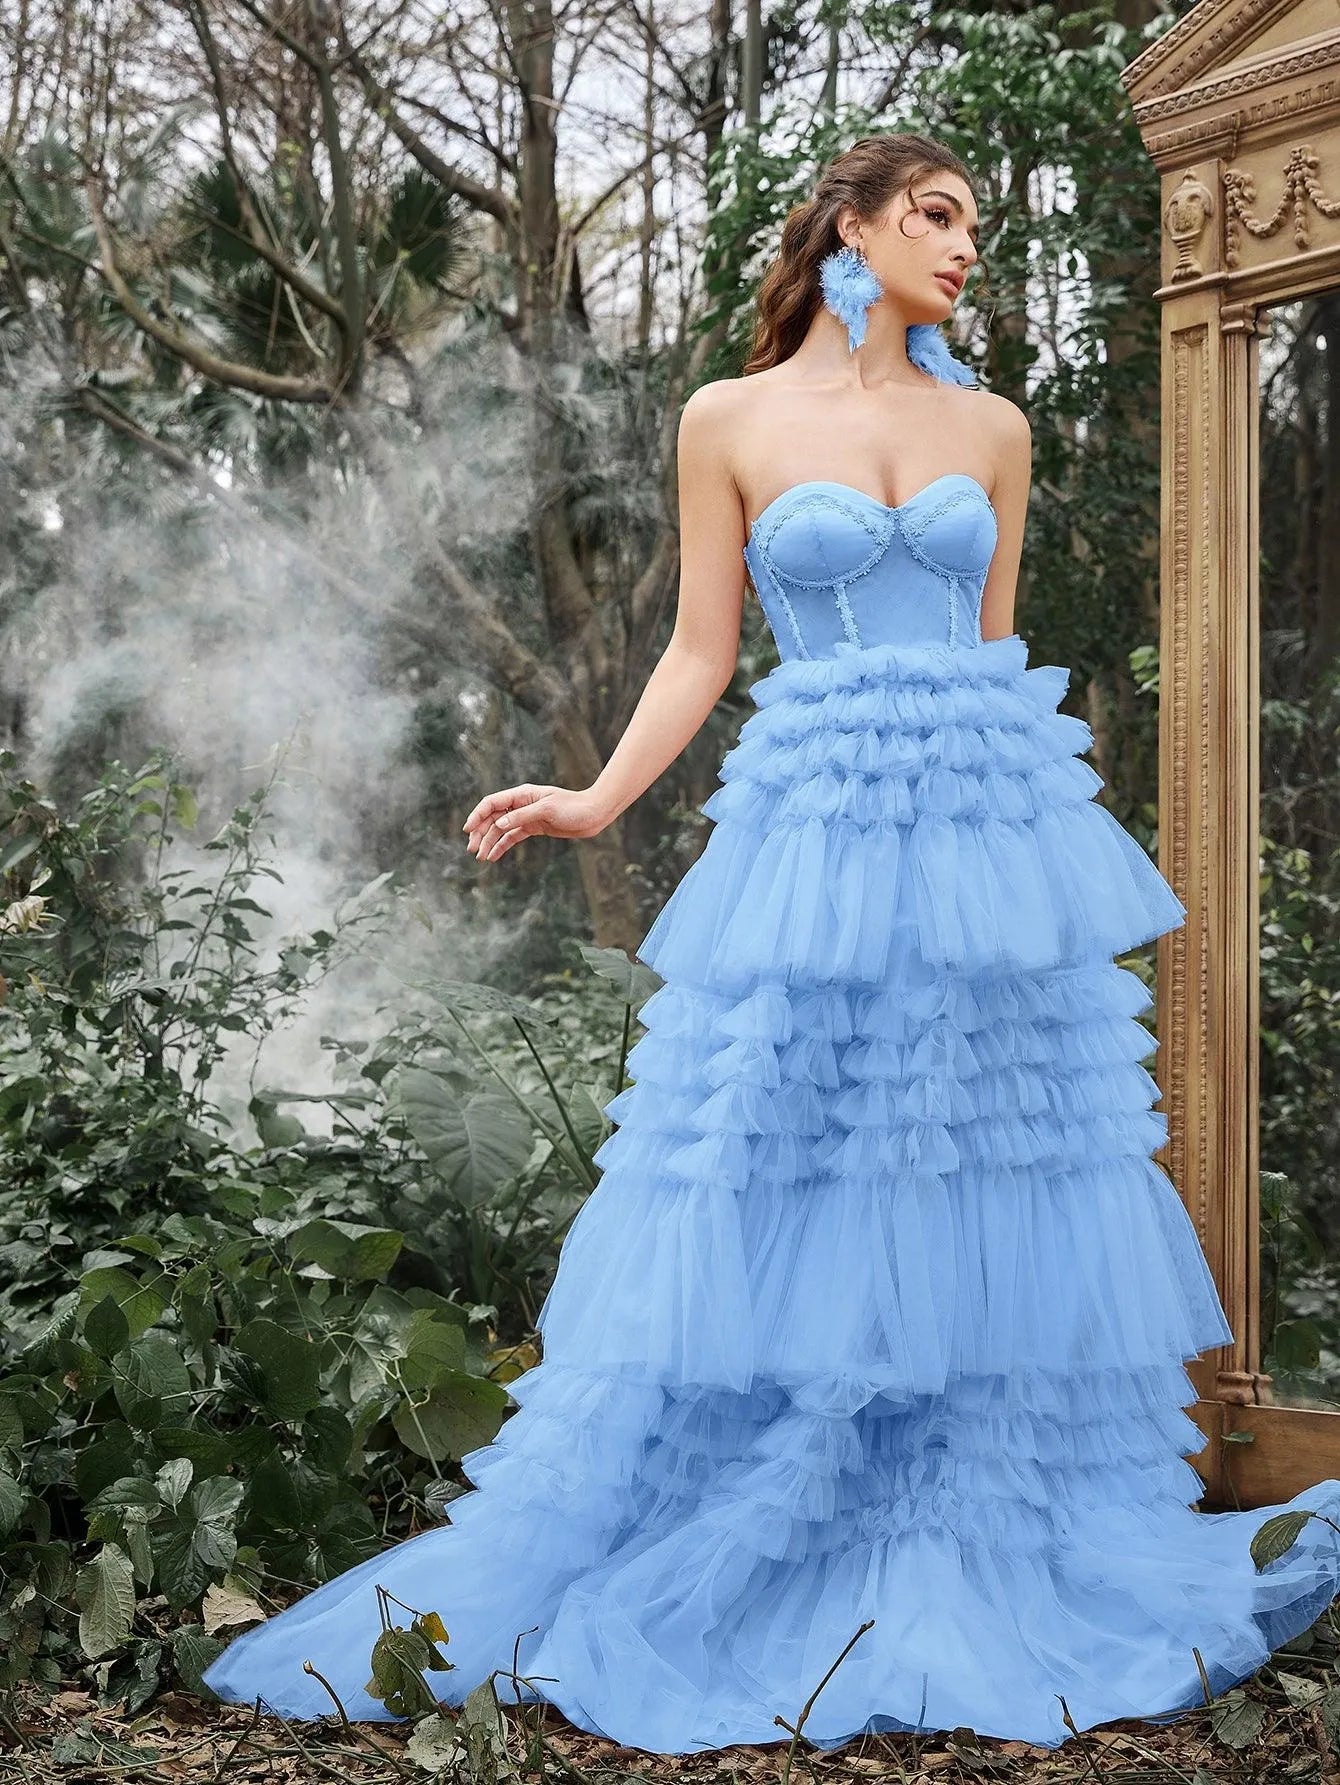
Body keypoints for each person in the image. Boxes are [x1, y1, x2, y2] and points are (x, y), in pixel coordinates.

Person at [202, 132, 1340, 1754]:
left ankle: (980, 1506)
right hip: (815, 837)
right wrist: (596, 798)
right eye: (937, 214)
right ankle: (786, 1495)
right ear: (851, 228)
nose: (965, 244)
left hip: (983, 831)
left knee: (985, 1157)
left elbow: (998, 646)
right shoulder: (727, 419)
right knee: (783, 1155)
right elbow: (698, 647)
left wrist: (1015, 856)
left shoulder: (995, 429)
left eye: (974, 220)